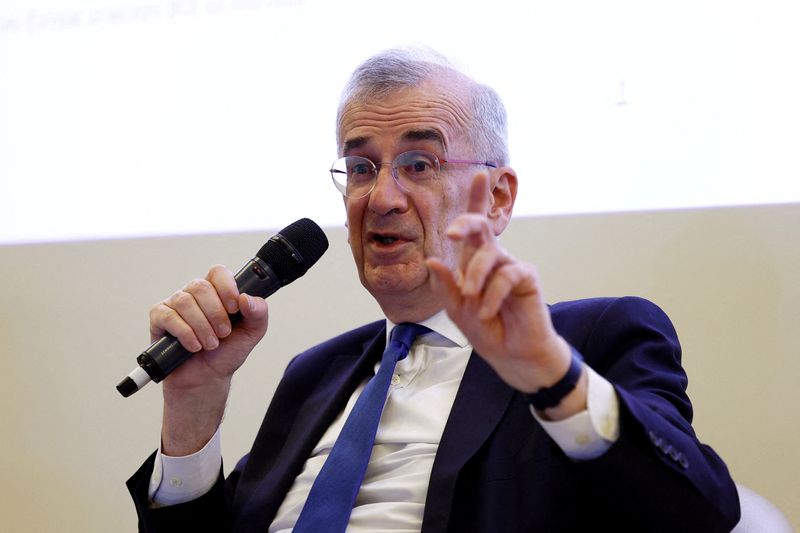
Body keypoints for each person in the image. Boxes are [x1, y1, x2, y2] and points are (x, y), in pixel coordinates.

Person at [127, 47, 740, 532]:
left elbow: (698, 514)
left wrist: (556, 376)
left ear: (497, 197)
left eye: (419, 164)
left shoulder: (592, 339)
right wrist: (193, 405)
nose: (382, 198)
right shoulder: (315, 375)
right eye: (361, 168)